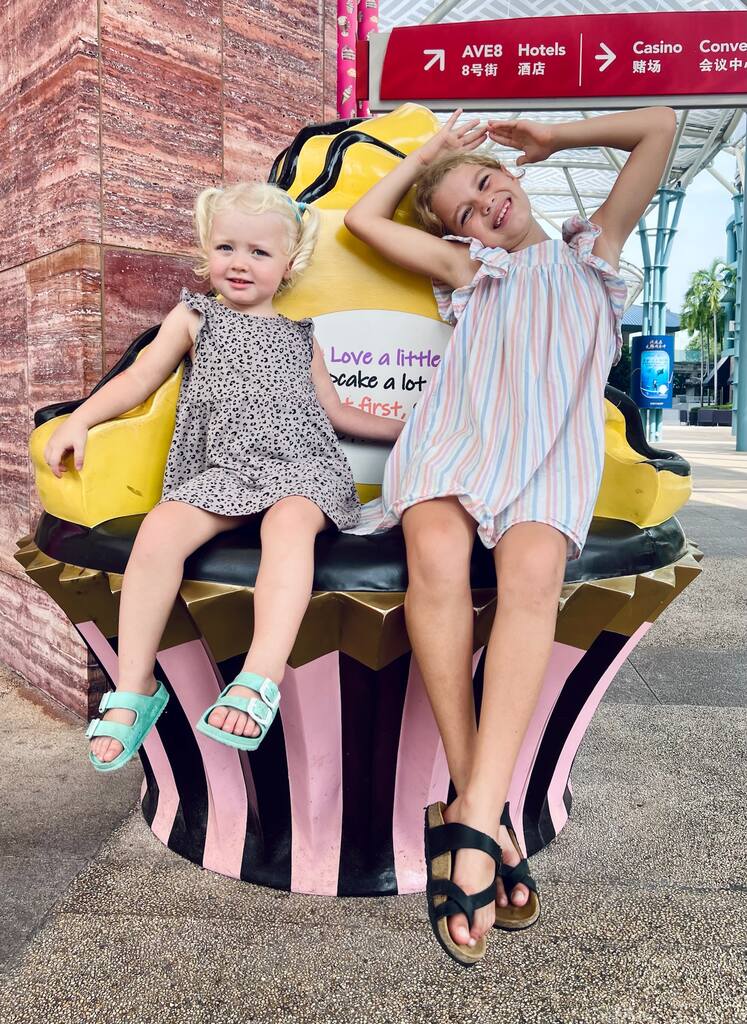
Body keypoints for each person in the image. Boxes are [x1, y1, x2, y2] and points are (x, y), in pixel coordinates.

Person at [343, 106, 676, 965]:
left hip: (550, 455)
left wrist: (555, 138)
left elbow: (661, 126)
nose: (484, 206)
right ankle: (483, 815)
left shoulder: (590, 253)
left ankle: (470, 819)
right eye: (462, 207)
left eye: (488, 185)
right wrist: (433, 154)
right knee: (436, 560)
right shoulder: (469, 269)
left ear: (515, 180)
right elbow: (360, 221)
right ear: (452, 232)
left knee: (531, 583)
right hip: (453, 440)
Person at [44, 182, 403, 772]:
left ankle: (259, 674)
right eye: (226, 247)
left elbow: (337, 413)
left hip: (302, 468)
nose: (240, 263)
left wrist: (413, 429)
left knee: (289, 528)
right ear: (206, 253)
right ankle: (135, 686)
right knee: (160, 530)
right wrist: (80, 419)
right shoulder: (193, 316)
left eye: (259, 253)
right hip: (226, 470)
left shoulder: (300, 335)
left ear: (288, 266)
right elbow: (139, 379)